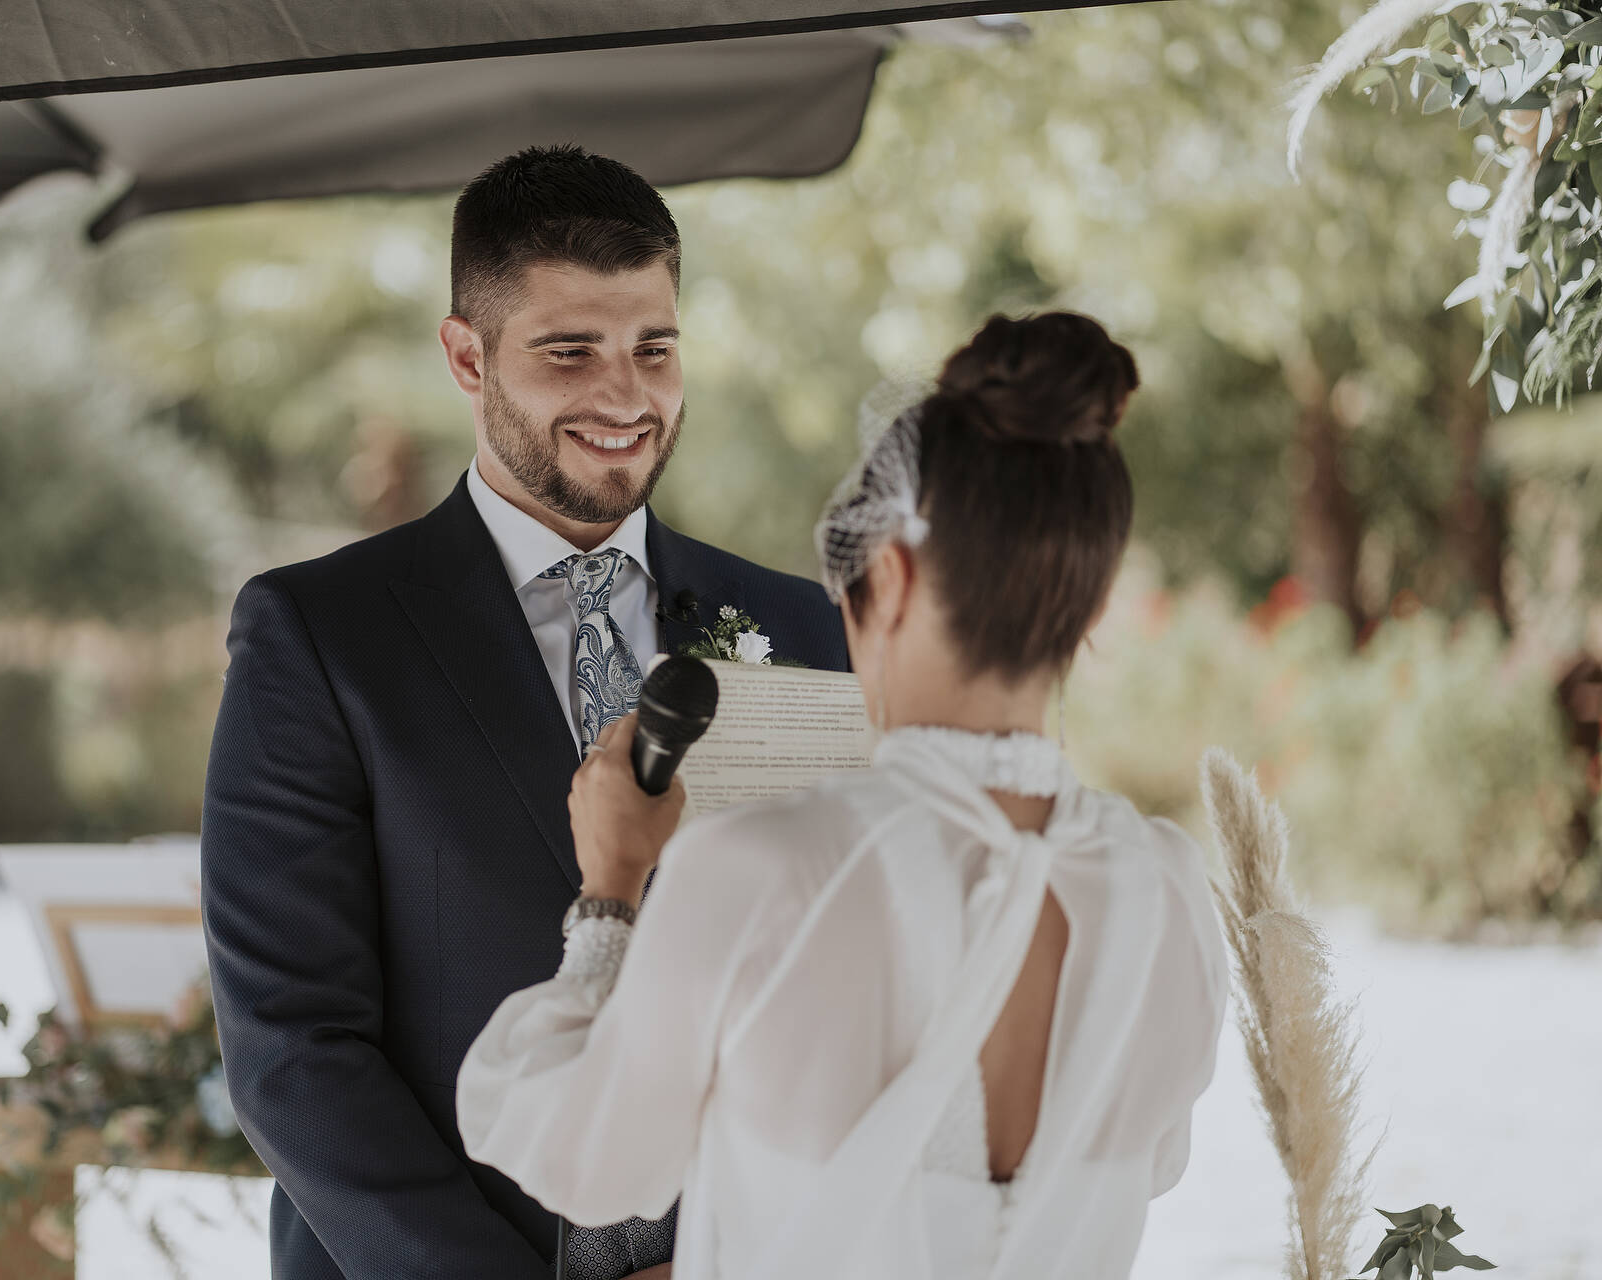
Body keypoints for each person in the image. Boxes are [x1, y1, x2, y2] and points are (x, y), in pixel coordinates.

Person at [457, 313, 1230, 1280]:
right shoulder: (1167, 891)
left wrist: (612, 888)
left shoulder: (766, 867)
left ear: (892, 579)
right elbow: (1149, 1167)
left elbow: (586, 1159)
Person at [201, 144, 849, 1280]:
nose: (625, 395)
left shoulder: (806, 628)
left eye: (654, 348)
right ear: (467, 354)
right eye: (570, 352)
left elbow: (849, 987)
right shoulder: (320, 635)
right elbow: (293, 1049)